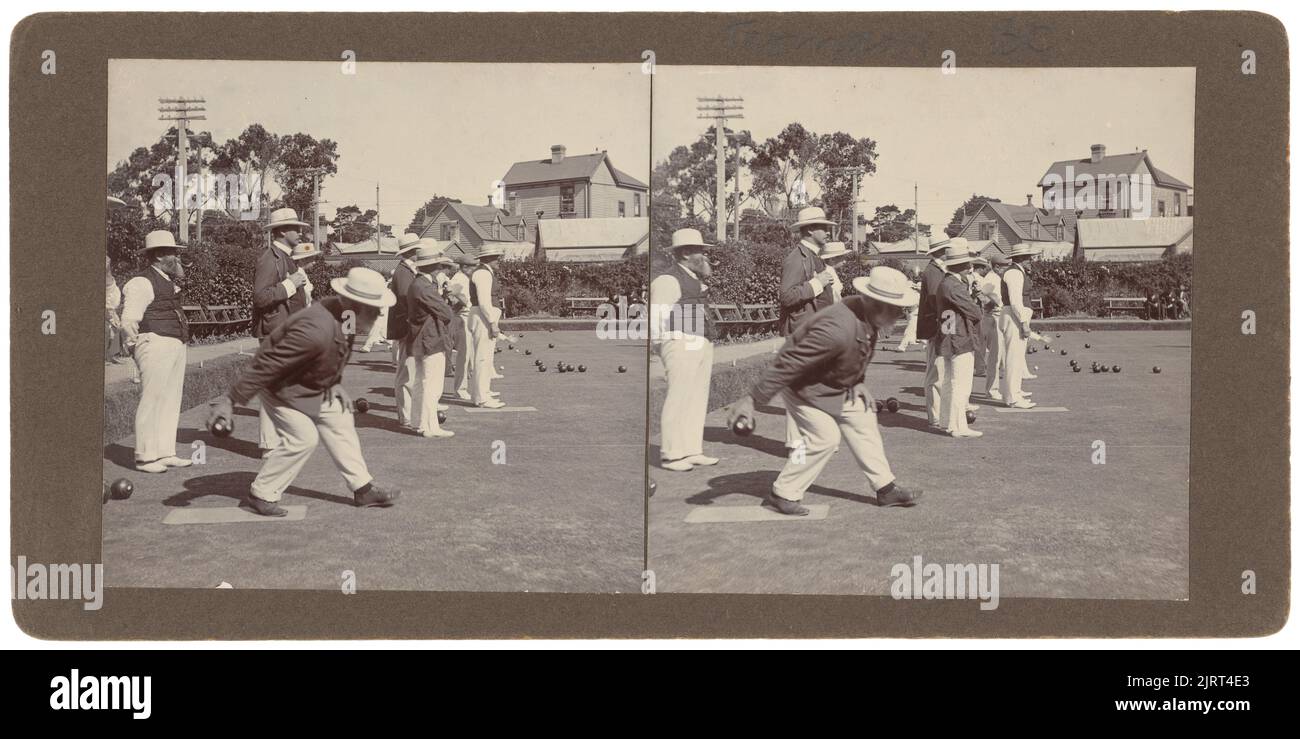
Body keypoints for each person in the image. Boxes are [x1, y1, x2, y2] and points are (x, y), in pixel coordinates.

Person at [727, 267, 924, 515]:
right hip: (804, 387)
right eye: (896, 309)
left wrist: (857, 381)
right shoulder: (836, 329)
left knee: (863, 418)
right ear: (876, 304)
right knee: (825, 438)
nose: (899, 314)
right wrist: (751, 400)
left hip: (835, 384)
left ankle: (885, 490)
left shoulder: (865, 313)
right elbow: (788, 362)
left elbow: (858, 351)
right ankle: (783, 493)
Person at [207, 268, 402, 517]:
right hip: (282, 387)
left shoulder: (348, 314)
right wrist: (230, 401)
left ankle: (363, 489)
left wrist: (334, 382)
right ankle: (262, 494)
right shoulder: (314, 330)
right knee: (303, 438)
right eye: (374, 308)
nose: (380, 313)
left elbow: (341, 350)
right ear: (356, 303)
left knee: (340, 418)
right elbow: (267, 363)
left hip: (313, 384)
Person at [119, 230, 193, 474]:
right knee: (152, 399)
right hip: (154, 342)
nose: (177, 257)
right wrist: (135, 345)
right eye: (173, 253)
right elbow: (129, 320)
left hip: (173, 343)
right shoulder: (141, 282)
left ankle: (165, 452)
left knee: (171, 399)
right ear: (160, 255)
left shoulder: (167, 280)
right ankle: (145, 456)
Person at [650, 228, 719, 472]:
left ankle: (691, 450)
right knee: (678, 397)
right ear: (686, 254)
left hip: (700, 341)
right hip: (678, 342)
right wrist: (661, 346)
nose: (705, 256)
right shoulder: (668, 280)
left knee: (697, 398)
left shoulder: (695, 279)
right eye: (700, 251)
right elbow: (656, 316)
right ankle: (671, 454)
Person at [252, 208, 312, 455]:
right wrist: (290, 284)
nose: (300, 231)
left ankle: (280, 441)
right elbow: (260, 297)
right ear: (281, 231)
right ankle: (269, 444)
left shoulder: (287, 258)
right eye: (295, 228)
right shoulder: (270, 258)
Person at [778, 206, 839, 451]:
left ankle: (815, 440)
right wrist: (817, 283)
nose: (827, 231)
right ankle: (796, 445)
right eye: (823, 227)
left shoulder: (815, 257)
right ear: (810, 230)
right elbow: (787, 296)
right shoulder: (796, 258)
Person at [406, 245, 457, 438]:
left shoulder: (418, 284)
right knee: (432, 384)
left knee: (421, 381)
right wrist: (445, 302)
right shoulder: (424, 286)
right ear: (434, 267)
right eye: (439, 266)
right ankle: (429, 426)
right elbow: (446, 312)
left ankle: (418, 423)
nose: (441, 269)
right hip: (430, 337)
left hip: (421, 337)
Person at [935, 250, 984, 438]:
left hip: (949, 336)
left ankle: (946, 422)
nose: (970, 268)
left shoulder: (945, 283)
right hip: (959, 338)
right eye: (967, 264)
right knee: (960, 384)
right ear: (961, 266)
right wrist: (975, 298)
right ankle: (958, 426)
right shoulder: (954, 285)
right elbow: (975, 312)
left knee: (949, 382)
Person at [919, 237, 958, 427]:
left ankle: (942, 413)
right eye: (947, 249)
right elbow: (938, 302)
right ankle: (934, 416)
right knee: (935, 372)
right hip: (936, 326)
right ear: (941, 251)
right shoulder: (933, 272)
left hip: (943, 324)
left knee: (942, 370)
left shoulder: (940, 269)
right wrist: (946, 329)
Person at [387, 233, 423, 426]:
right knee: (406, 372)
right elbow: (406, 297)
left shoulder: (409, 270)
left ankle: (410, 413)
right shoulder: (403, 272)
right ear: (412, 251)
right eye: (418, 249)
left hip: (410, 325)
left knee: (411, 371)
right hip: (407, 326)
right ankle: (405, 415)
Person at [998, 243, 1040, 409]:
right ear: (1020, 259)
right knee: (1013, 358)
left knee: (1017, 357)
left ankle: (1014, 392)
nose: (1031, 261)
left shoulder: (1017, 272)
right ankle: (1012, 398)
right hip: (1014, 318)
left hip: (1016, 317)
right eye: (1028, 258)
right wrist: (1023, 323)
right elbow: (1015, 302)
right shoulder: (1014, 273)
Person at [468, 243, 507, 408]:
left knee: (486, 358)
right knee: (483, 358)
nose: (499, 260)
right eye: (496, 257)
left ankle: (484, 393)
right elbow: (484, 302)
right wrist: (492, 323)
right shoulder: (483, 274)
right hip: (483, 318)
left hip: (484, 317)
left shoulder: (485, 272)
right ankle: (481, 398)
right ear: (488, 258)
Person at [976, 254, 1009, 400]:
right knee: (995, 356)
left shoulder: (996, 277)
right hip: (992, 319)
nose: (1006, 268)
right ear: (997, 267)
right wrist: (995, 304)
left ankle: (994, 388)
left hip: (996, 317)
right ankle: (991, 389)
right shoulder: (991, 278)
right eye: (1004, 266)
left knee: (998, 355)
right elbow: (983, 297)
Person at [447, 253, 477, 400]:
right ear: (465, 267)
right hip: (462, 318)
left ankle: (466, 385)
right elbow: (451, 295)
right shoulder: (459, 278)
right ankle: (460, 389)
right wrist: (464, 302)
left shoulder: (465, 278)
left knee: (469, 354)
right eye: (472, 266)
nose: (474, 269)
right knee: (463, 355)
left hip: (468, 316)